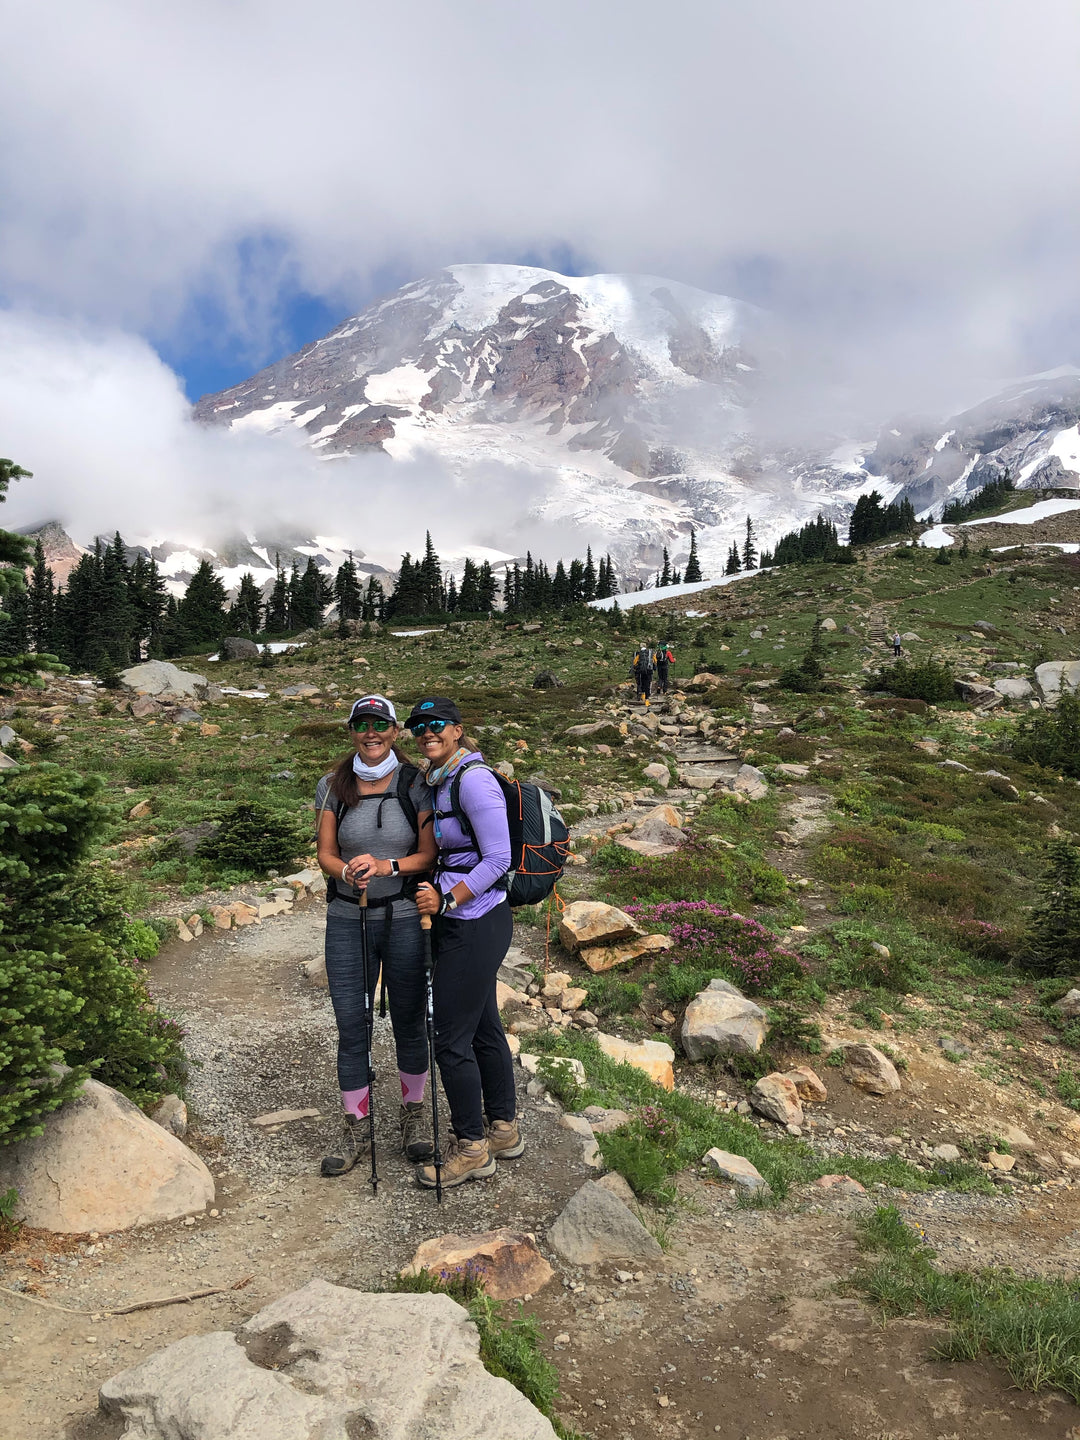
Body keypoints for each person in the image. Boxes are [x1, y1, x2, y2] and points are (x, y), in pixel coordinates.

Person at [315, 695, 438, 1177]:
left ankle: (413, 1117)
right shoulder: (331, 785)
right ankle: (357, 1125)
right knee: (352, 1024)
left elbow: (427, 854)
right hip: (348, 918)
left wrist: (388, 865)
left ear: (394, 731)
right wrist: (345, 871)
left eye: (380, 724)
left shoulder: (416, 783)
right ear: (351, 731)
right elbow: (325, 852)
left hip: (406, 915)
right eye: (362, 725)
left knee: (410, 1020)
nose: (371, 733)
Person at [406, 696, 521, 1189]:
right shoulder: (441, 779)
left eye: (435, 724)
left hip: (474, 920)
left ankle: (471, 1148)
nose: (426, 732)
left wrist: (447, 900)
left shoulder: (473, 780)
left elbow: (499, 858)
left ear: (456, 729)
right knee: (483, 1028)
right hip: (469, 919)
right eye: (418, 727)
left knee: (450, 1039)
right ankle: (502, 1129)